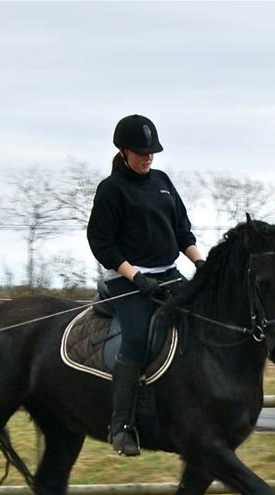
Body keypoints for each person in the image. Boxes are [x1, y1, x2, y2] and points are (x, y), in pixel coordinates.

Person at [87, 114, 205, 456]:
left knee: (200, 321)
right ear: (124, 151)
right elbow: (102, 243)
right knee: (137, 337)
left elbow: (183, 232)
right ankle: (121, 426)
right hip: (128, 281)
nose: (148, 156)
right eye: (141, 151)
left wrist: (200, 263)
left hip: (169, 273)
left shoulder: (163, 182)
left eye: (151, 151)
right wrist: (136, 277)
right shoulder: (111, 190)